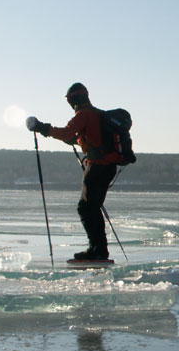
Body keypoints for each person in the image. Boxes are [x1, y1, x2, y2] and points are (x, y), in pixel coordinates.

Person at [26, 83, 117, 261]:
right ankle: (99, 249)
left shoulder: (83, 114)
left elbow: (67, 133)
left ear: (74, 100)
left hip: (97, 167)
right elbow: (88, 139)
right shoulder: (97, 114)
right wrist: (75, 140)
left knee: (85, 207)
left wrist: (41, 128)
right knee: (91, 207)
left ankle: (97, 250)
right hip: (107, 166)